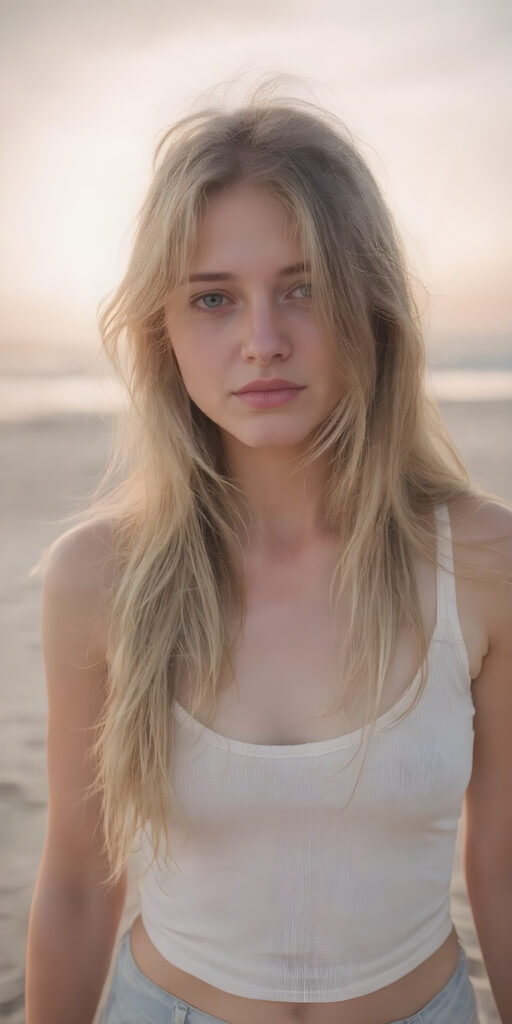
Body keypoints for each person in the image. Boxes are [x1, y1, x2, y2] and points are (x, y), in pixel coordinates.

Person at [25, 82, 512, 1024]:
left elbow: (505, 862)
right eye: (213, 298)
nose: (262, 341)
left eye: (305, 288)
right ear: (162, 334)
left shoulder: (485, 560)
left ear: (370, 304)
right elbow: (82, 879)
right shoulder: (99, 576)